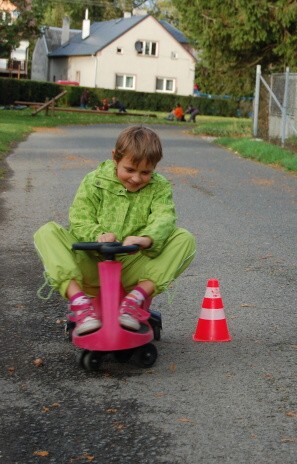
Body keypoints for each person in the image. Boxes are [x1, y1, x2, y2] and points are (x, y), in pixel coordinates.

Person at [33, 126, 197, 336]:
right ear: (115, 158)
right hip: (91, 263)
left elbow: (164, 216)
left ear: (155, 168)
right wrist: (97, 234)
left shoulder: (160, 187)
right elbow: (79, 217)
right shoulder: (94, 181)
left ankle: (135, 300)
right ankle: (80, 303)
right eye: (129, 170)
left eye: (145, 172)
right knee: (47, 232)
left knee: (184, 238)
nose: (136, 179)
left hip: (130, 267)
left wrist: (147, 238)